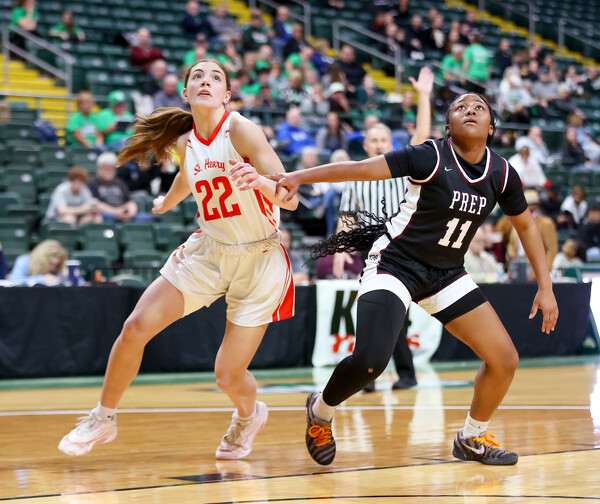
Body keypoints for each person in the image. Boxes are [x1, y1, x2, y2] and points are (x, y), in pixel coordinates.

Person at [237, 93, 559, 466]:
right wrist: (297, 176)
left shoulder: (502, 173)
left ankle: (471, 437)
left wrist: (546, 286)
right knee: (371, 361)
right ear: (448, 127)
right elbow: (359, 169)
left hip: (447, 274)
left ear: (491, 128)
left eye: (479, 108)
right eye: (460, 107)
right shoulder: (429, 156)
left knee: (504, 359)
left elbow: (526, 227)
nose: (469, 110)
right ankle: (320, 410)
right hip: (395, 264)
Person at [58, 59, 299, 460]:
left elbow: (290, 198)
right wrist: (166, 203)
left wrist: (260, 181)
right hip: (210, 250)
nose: (206, 81)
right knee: (135, 327)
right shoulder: (187, 142)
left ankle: (249, 415)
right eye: (197, 76)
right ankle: (103, 418)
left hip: (259, 259)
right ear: (185, 93)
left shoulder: (242, 130)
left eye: (216, 77)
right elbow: (187, 177)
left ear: (227, 94)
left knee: (227, 376)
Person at [333, 67, 434, 393]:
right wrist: (340, 250)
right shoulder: (355, 175)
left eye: (383, 141)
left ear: (391, 144)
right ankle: (376, 373)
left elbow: (422, 135)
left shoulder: (403, 166)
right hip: (370, 249)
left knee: (393, 314)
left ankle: (396, 373)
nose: (378, 145)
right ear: (365, 145)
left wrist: (423, 96)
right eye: (373, 141)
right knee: (375, 312)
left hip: (402, 247)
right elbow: (347, 216)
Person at [87, 152, 150, 224]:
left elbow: (129, 202)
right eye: (105, 169)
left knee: (144, 217)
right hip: (107, 213)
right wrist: (115, 212)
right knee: (106, 216)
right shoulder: (92, 183)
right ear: (99, 169)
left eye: (111, 169)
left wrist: (130, 213)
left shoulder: (120, 183)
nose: (108, 171)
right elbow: (95, 203)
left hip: (122, 212)